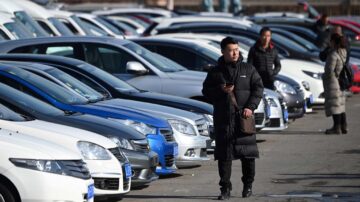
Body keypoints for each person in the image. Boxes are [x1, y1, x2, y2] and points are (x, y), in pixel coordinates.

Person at [202, 37, 263, 200]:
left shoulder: (248, 69)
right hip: (224, 120)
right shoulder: (215, 72)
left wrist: (250, 107)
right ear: (223, 52)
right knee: (224, 156)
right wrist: (220, 90)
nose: (234, 52)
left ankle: (248, 186)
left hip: (244, 119)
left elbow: (258, 89)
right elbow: (206, 92)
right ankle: (225, 189)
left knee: (248, 155)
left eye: (236, 49)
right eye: (230, 50)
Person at [322, 33, 348, 135]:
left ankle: (336, 128)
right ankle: (343, 125)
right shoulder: (343, 52)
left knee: (334, 105)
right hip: (340, 81)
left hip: (333, 82)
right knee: (340, 105)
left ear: (333, 41)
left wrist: (324, 76)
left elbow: (329, 70)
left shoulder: (333, 54)